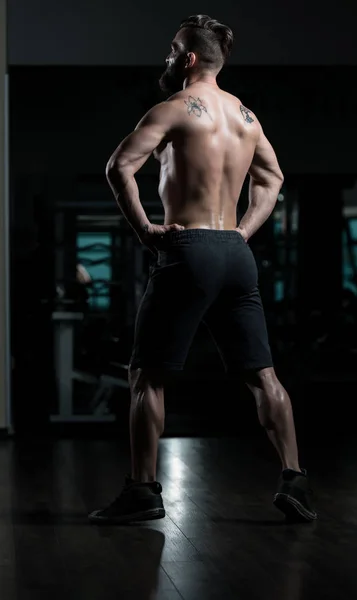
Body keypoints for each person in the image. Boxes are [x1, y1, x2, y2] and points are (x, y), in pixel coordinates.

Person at [88, 15, 317, 524]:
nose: (167, 59)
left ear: (188, 58)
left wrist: (147, 229)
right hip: (234, 253)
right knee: (263, 374)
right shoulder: (246, 118)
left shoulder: (173, 109)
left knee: (146, 375)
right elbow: (272, 177)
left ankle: (143, 491)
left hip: (187, 248)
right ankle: (295, 477)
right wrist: (242, 233)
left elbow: (117, 166)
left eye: (172, 50)